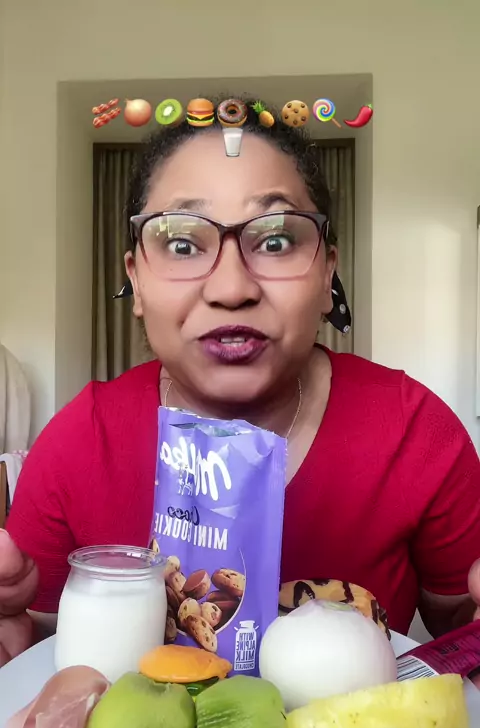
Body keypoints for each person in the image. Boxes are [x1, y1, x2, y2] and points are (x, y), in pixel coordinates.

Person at [1, 97, 480, 668]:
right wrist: (15, 643)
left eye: (275, 241)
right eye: (182, 244)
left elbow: (459, 625)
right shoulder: (79, 444)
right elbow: (41, 649)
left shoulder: (415, 432)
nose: (231, 289)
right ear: (136, 280)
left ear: (328, 273)